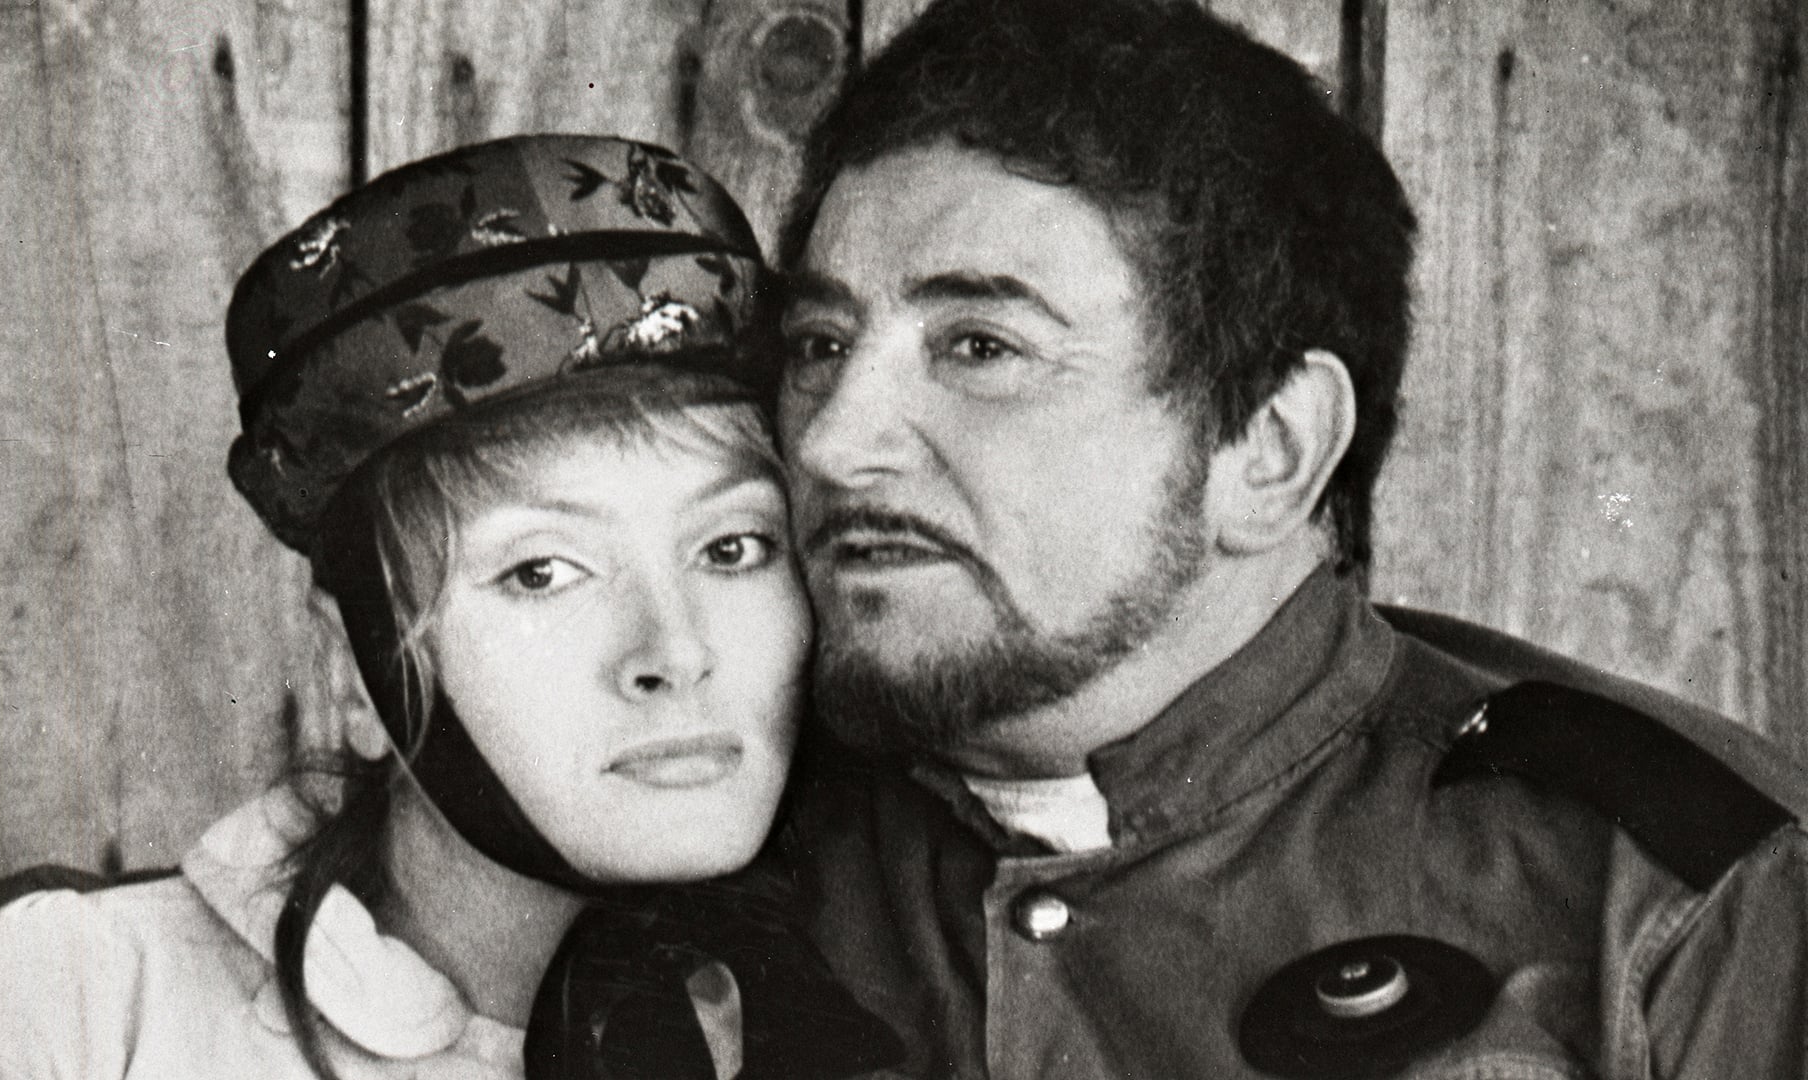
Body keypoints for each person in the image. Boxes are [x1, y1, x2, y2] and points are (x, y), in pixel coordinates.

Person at [767, 0, 1808, 1076]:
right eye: (819, 344)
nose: (834, 443)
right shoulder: (728, 825)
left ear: (1271, 448)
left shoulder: (1673, 905)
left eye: (981, 346)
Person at [0, 134, 895, 1080]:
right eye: (541, 571)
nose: (673, 650)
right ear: (353, 670)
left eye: (732, 548)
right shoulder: (50, 1023)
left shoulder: (908, 1010)